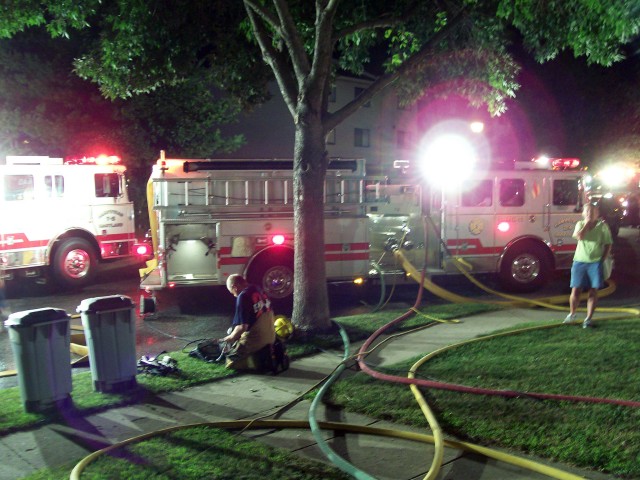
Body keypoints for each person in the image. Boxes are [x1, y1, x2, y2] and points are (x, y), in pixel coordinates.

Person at [563, 202, 613, 328]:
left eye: (593, 211)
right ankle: (572, 314)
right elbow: (579, 236)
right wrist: (586, 224)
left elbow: (608, 243)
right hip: (579, 261)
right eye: (588, 211)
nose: (590, 214)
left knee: (593, 291)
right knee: (576, 289)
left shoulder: (603, 226)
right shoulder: (579, 224)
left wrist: (602, 259)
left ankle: (588, 319)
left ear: (598, 213)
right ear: (583, 214)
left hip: (595, 263)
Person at [220, 274, 276, 369]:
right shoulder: (259, 289)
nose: (233, 295)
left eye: (232, 292)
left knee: (230, 362)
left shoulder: (243, 296)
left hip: (258, 340)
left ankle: (253, 361)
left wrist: (229, 338)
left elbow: (242, 327)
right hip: (271, 338)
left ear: (235, 287)